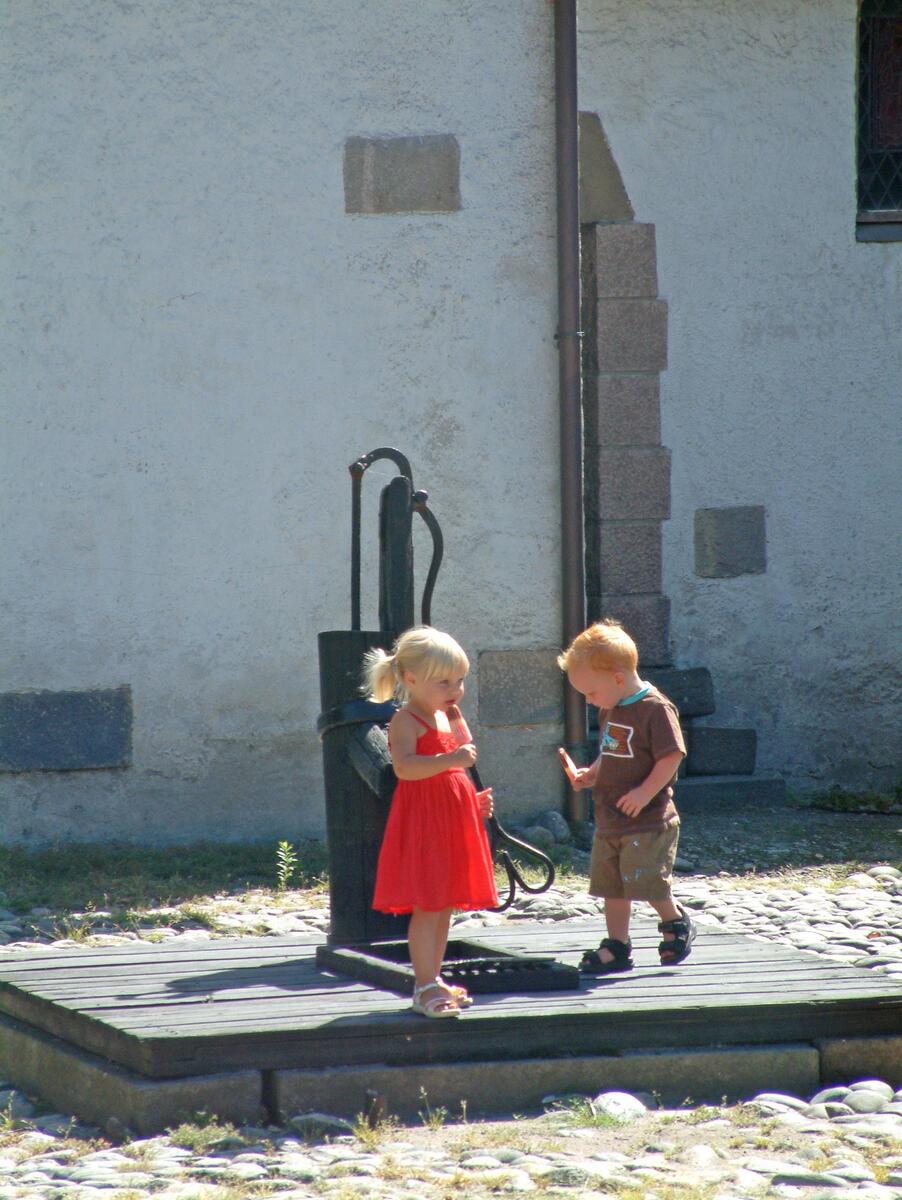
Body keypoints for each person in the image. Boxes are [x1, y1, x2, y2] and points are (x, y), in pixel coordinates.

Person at [364, 626, 499, 1017]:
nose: (455, 689)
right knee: (428, 905)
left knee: (444, 907)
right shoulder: (406, 720)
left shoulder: (446, 718)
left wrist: (473, 803)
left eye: (459, 680)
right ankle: (423, 986)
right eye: (444, 682)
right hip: (425, 827)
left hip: (452, 822)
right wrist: (451, 761)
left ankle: (434, 977)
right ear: (410, 679)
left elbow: (450, 777)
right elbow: (405, 769)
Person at [557, 618, 695, 974]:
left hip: (648, 818)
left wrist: (644, 792)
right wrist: (592, 773)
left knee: (646, 881)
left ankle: (675, 920)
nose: (588, 701)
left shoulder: (654, 708)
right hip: (611, 817)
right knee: (612, 887)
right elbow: (612, 750)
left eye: (590, 693)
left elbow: (671, 756)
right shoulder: (612, 707)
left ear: (618, 678)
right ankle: (617, 945)